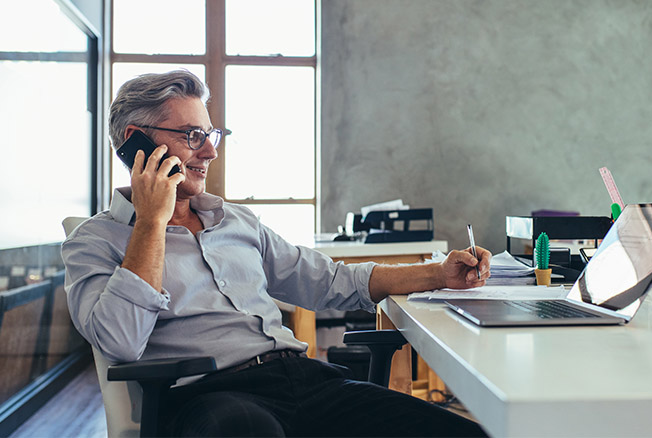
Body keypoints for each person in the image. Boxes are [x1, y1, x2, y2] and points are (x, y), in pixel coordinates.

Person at [62, 70, 491, 437]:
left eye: (210, 135)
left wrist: (440, 273)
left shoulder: (236, 222)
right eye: (193, 136)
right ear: (135, 143)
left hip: (305, 381)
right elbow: (120, 340)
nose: (210, 151)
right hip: (211, 398)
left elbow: (334, 281)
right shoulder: (95, 241)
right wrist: (152, 222)